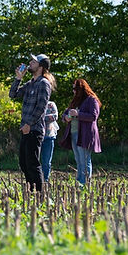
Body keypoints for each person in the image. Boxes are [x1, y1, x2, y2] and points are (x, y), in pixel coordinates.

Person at [10, 53, 54, 192]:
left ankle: (39, 193)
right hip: (26, 128)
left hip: (34, 129)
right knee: (24, 163)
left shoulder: (44, 84)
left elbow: (41, 107)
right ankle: (31, 190)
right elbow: (13, 94)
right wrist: (18, 78)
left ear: (41, 66)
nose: (30, 63)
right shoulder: (30, 83)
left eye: (34, 62)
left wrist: (29, 124)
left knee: (32, 163)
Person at [59, 79, 102, 186]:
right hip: (74, 134)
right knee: (78, 160)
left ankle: (85, 183)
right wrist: (66, 117)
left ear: (81, 89)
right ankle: (79, 182)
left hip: (85, 135)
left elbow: (93, 116)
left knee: (85, 160)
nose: (73, 91)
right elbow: (65, 114)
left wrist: (78, 114)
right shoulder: (75, 101)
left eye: (75, 88)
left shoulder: (91, 100)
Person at [40, 101, 59, 182]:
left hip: (49, 136)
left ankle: (45, 180)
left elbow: (55, 116)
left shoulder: (51, 104)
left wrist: (40, 118)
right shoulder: (35, 102)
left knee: (46, 161)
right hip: (36, 136)